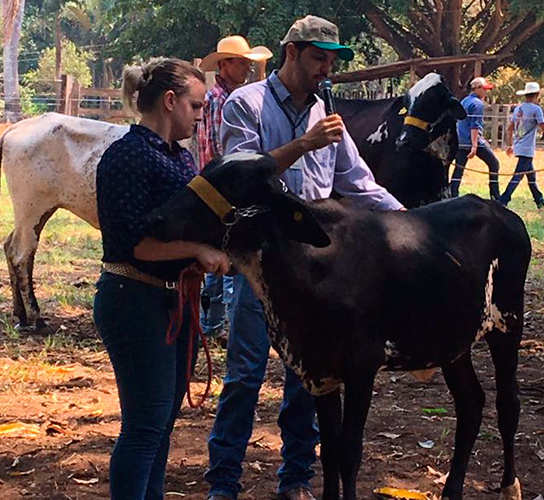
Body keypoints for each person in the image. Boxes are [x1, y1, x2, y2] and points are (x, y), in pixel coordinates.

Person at [205, 15, 404, 500]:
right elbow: (241, 175)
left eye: (332, 61)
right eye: (319, 58)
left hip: (315, 269)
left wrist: (414, 225)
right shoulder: (244, 103)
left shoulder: (325, 113)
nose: (326, 70)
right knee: (245, 373)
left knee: (309, 379)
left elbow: (358, 183)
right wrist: (303, 145)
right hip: (262, 266)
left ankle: (295, 478)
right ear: (291, 52)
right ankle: (224, 482)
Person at [94, 58, 232, 500]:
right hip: (134, 298)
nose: (199, 114)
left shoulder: (179, 156)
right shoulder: (128, 156)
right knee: (145, 425)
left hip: (171, 301)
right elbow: (136, 245)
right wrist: (196, 250)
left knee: (160, 424)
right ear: (169, 101)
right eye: (195, 105)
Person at [196, 36, 273, 340]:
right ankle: (222, 324)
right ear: (224, 65)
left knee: (219, 256)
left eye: (246, 63)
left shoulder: (224, 96)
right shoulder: (221, 100)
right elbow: (222, 151)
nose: (245, 68)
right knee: (229, 259)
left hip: (214, 188)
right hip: (222, 190)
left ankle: (212, 325)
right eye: (240, 62)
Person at [498, 82, 544, 208]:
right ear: (537, 95)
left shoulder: (518, 109)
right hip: (527, 148)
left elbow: (510, 128)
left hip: (519, 145)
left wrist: (510, 144)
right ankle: (503, 200)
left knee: (531, 176)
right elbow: (543, 127)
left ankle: (540, 202)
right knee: (518, 176)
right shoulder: (536, 109)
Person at [450, 77, 501, 198]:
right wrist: (474, 145)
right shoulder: (477, 104)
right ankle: (495, 195)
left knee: (459, 168)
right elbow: (475, 126)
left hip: (461, 140)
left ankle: (453, 194)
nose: (486, 91)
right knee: (494, 164)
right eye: (484, 89)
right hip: (473, 141)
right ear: (477, 88)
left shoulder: (464, 101)